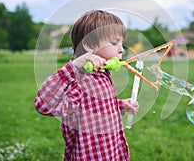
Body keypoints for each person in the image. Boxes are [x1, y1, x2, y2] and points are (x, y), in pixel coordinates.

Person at [34, 10, 139, 160]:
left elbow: (95, 107)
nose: (121, 49)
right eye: (115, 42)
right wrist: (73, 67)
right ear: (90, 45)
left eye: (121, 43)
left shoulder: (101, 75)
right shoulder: (79, 80)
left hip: (111, 152)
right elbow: (43, 105)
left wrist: (121, 105)